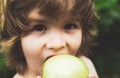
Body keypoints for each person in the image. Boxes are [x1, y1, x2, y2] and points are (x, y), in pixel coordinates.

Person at [0, 0, 99, 78]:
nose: (57, 44)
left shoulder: (85, 65)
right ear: (17, 38)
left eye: (69, 26)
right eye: (39, 28)